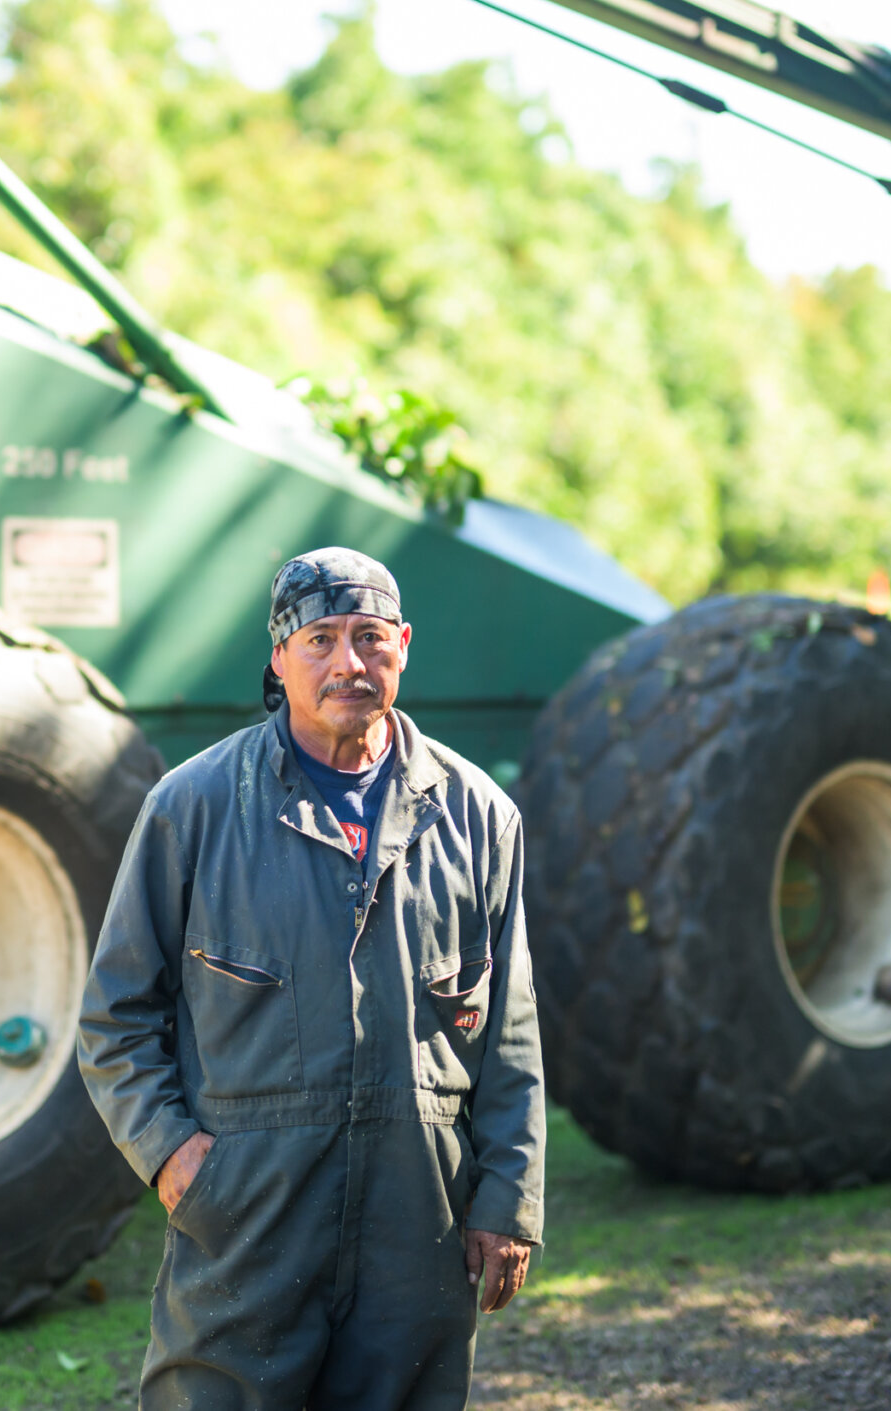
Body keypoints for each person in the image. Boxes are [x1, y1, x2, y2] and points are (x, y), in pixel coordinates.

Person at [78, 546, 544, 1411]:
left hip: (418, 1218)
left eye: (369, 637)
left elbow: (510, 1029)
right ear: (278, 657)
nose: (348, 663)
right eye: (320, 639)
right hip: (250, 1210)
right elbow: (116, 1017)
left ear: (403, 644)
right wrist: (174, 1158)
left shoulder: (478, 815)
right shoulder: (196, 806)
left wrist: (508, 1198)